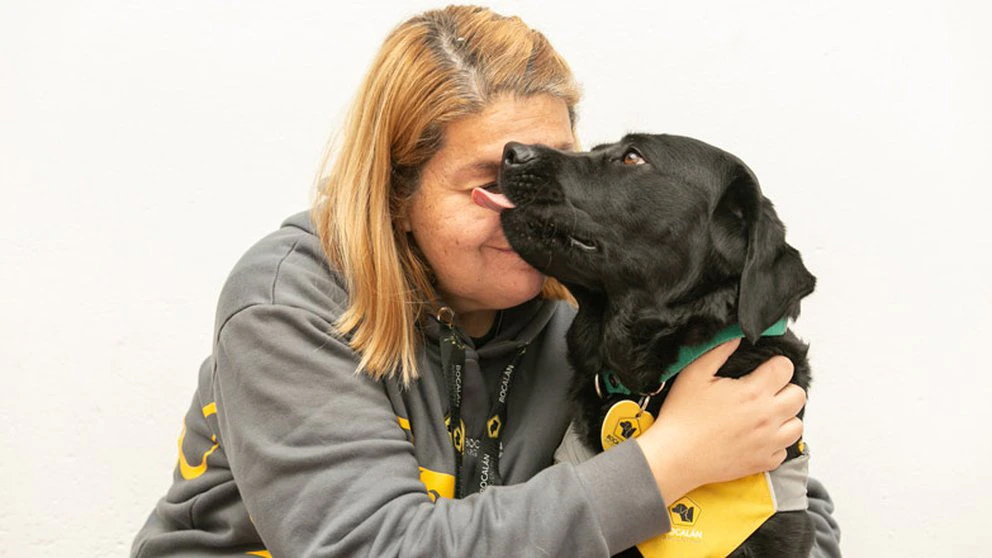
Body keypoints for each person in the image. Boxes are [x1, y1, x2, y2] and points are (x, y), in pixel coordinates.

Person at [131, 5, 841, 557]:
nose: (526, 207)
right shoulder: (293, 302)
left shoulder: (585, 317)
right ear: (396, 192)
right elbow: (369, 547)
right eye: (486, 186)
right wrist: (669, 461)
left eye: (549, 166)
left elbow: (777, 501)